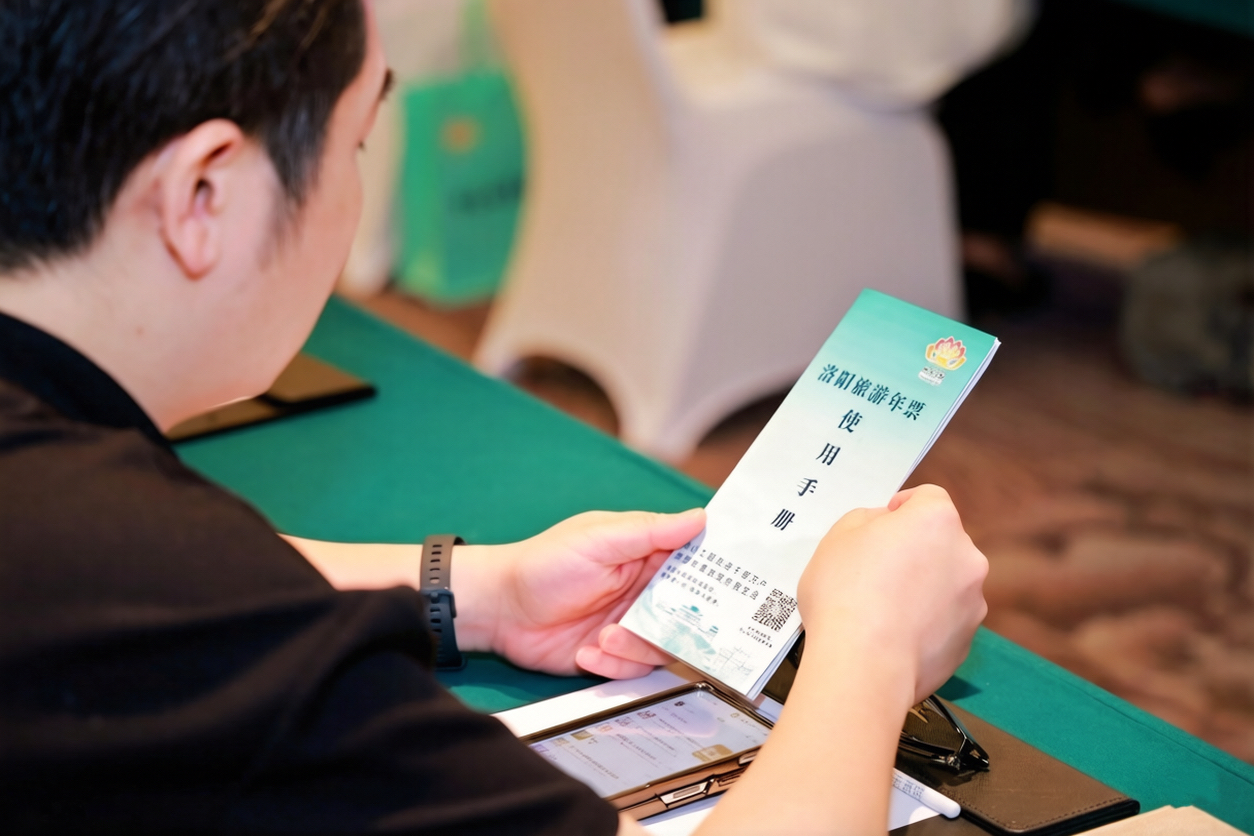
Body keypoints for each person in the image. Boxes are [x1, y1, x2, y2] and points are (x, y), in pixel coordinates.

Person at [0, 1, 988, 833]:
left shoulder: (88, 529)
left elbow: (155, 594)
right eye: (355, 142)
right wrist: (868, 647)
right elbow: (176, 597)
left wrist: (475, 591)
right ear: (202, 196)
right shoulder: (142, 571)